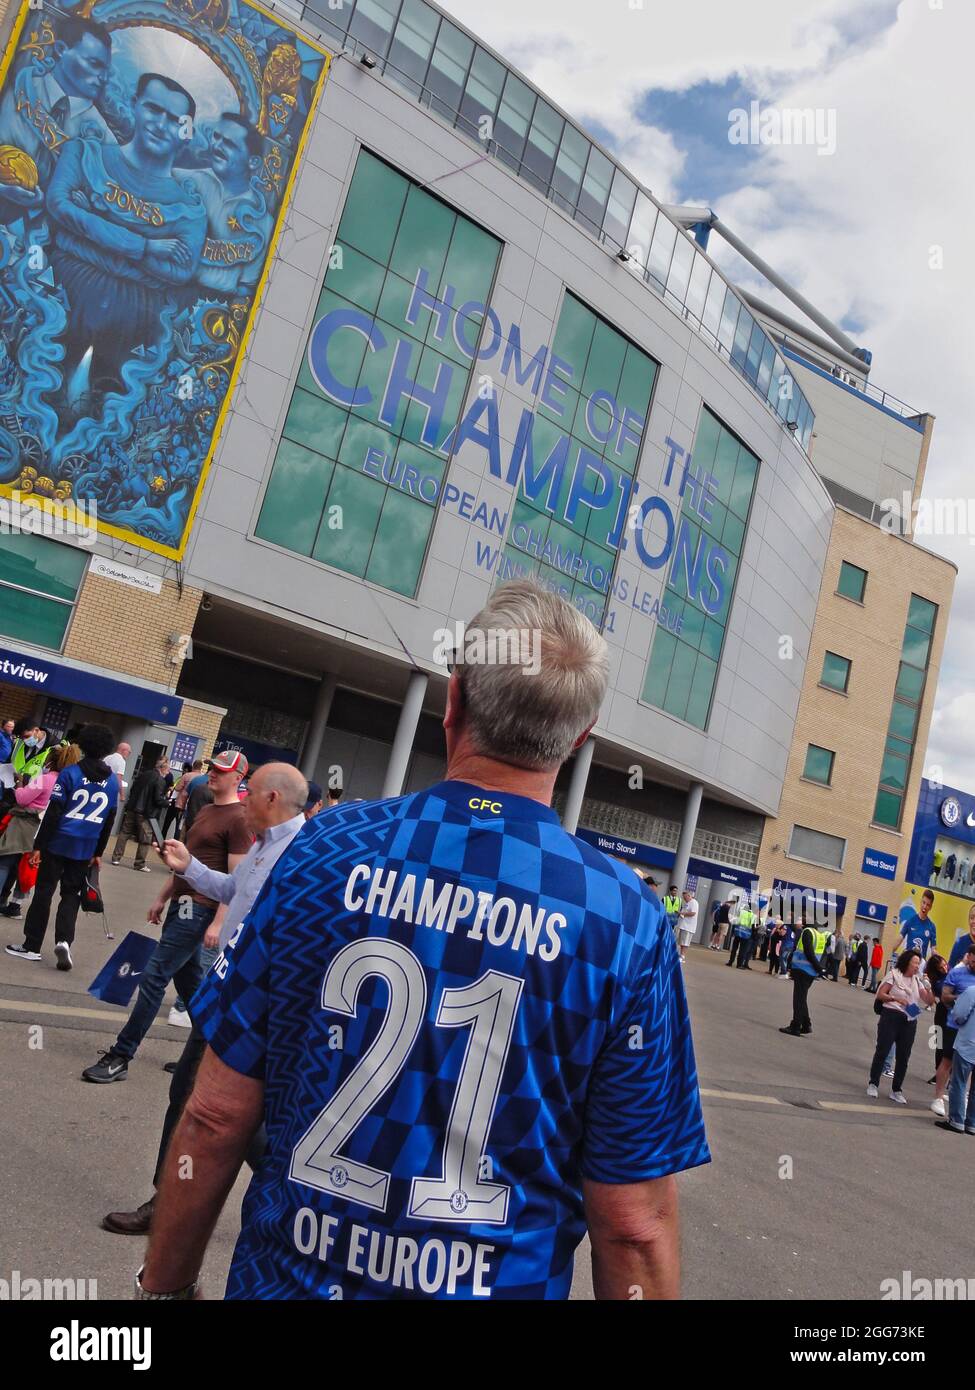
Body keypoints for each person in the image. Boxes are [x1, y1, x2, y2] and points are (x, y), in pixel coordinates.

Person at [138, 579, 710, 1301]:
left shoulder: (324, 851)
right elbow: (631, 1225)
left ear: (454, 700)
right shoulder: (624, 918)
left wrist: (162, 1291)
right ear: (580, 737)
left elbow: (214, 1115)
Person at [101, 763, 309, 1235]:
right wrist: (190, 868)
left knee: (218, 1107)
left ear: (272, 799)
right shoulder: (265, 845)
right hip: (227, 995)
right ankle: (175, 1200)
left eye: (249, 791)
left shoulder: (301, 853)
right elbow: (234, 891)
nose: (242, 799)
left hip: (253, 1006)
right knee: (191, 1097)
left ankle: (292, 1203)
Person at [81, 750, 252, 1083]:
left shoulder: (240, 819)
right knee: (194, 989)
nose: (213, 773)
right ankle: (205, 1056)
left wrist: (219, 922)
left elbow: (237, 882)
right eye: (213, 767)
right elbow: (186, 863)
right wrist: (161, 897)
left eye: (221, 770)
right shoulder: (205, 810)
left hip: (200, 909)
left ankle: (122, 1055)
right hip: (182, 905)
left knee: (154, 975)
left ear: (238, 778)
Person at [47, 73, 208, 393]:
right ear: (134, 106)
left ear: (186, 133)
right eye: (153, 109)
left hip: (133, 332)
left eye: (174, 119)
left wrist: (86, 227)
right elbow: (59, 206)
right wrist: (145, 246)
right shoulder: (82, 153)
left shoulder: (190, 210)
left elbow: (179, 270)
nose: (161, 124)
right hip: (55, 297)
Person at [5, 726, 118, 969]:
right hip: (85, 847)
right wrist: (98, 853)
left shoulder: (70, 774)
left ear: (83, 745)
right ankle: (65, 941)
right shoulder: (112, 784)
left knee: (44, 892)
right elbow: (109, 821)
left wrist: (38, 846)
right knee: (71, 895)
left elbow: (53, 814)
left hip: (58, 842)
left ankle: (32, 945)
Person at [0, 742, 68, 918]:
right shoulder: (66, 782)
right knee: (26, 867)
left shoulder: (44, 779)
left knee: (5, 863)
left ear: (50, 761)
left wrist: (20, 784)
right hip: (43, 828)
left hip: (24, 824)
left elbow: (22, 799)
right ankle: (15, 906)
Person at [866, 950, 935, 1103]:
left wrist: (929, 987)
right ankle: (873, 1083)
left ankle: (896, 1089)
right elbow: (880, 994)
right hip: (891, 1016)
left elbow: (929, 1001)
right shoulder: (894, 975)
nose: (917, 966)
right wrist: (895, 998)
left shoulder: (917, 981)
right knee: (882, 1051)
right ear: (907, 962)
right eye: (915, 963)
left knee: (903, 1057)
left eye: (919, 963)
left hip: (910, 1020)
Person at [111, 756, 169, 871]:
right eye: (167, 770)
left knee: (124, 833)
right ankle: (139, 864)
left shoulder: (144, 774)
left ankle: (116, 858)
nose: (168, 772)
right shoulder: (160, 780)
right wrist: (166, 802)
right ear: (162, 769)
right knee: (145, 839)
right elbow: (157, 799)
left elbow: (133, 789)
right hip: (146, 812)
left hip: (133, 807)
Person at [937, 982, 975, 1135]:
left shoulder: (972, 991)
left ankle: (957, 1120)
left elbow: (959, 1015)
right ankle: (972, 1123)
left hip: (968, 1042)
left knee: (959, 1082)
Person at [779, 917, 822, 1036]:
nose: (801, 926)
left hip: (802, 970)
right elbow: (821, 954)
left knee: (798, 999)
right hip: (811, 972)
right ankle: (806, 1024)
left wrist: (818, 967)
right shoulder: (819, 935)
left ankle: (795, 1026)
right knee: (802, 998)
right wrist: (819, 968)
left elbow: (808, 952)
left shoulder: (807, 932)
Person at [895, 890, 937, 960]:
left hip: (920, 964)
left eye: (928, 905)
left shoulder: (931, 926)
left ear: (930, 907)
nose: (925, 906)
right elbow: (899, 939)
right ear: (921, 902)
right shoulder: (910, 921)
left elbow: (933, 949)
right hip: (908, 961)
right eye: (923, 903)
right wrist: (889, 951)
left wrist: (938, 959)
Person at [676, 887, 698, 963]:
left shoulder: (693, 902)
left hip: (688, 927)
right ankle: (681, 955)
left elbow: (693, 913)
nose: (684, 899)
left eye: (685, 897)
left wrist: (682, 913)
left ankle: (682, 956)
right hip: (684, 925)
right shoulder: (687, 903)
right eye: (683, 897)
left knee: (685, 942)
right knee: (682, 942)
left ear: (689, 895)